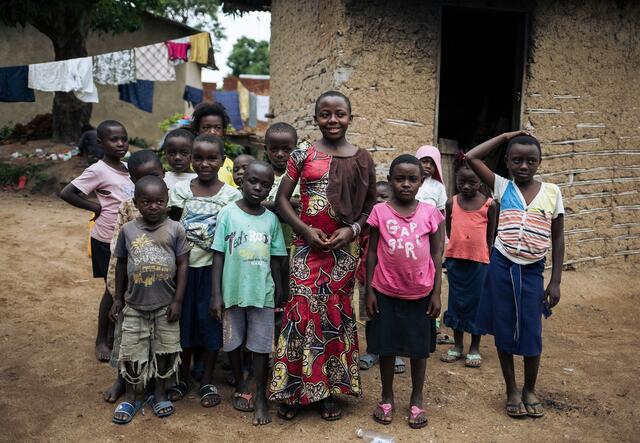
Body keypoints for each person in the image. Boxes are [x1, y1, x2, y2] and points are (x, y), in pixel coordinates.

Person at [269, 91, 376, 421]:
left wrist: (352, 231)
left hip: (343, 251)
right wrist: (304, 230)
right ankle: (293, 390)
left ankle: (330, 390)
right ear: (315, 119)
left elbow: (371, 206)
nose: (333, 120)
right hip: (305, 247)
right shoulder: (302, 155)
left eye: (340, 114)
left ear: (350, 118)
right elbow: (282, 200)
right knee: (300, 314)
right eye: (326, 114)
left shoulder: (362, 159)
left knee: (333, 315)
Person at [466, 130, 564, 418]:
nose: (524, 166)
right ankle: (511, 389)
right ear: (507, 162)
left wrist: (555, 280)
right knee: (505, 328)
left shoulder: (552, 192)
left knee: (532, 332)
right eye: (517, 160)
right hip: (502, 265)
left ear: (540, 162)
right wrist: (506, 135)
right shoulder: (501, 186)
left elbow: (558, 238)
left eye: (531, 161)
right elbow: (471, 156)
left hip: (533, 270)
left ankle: (530, 388)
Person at [365, 154, 444, 429]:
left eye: (412, 179)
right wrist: (369, 290)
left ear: (421, 182)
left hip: (420, 293)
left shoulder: (431, 214)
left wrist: (436, 292)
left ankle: (416, 397)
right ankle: (387, 395)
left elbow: (437, 253)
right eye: (400, 179)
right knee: (386, 346)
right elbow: (372, 252)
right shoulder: (380, 212)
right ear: (390, 180)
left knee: (418, 349)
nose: (406, 184)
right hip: (385, 291)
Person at [167, 133, 241, 407]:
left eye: (212, 158)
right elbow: (173, 228)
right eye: (198, 158)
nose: (204, 163)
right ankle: (183, 377)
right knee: (183, 325)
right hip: (185, 270)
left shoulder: (231, 196)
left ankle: (208, 380)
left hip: (214, 271)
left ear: (222, 161)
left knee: (211, 325)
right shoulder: (181, 191)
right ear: (191, 159)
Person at [211, 161, 287, 426]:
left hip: (262, 293)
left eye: (265, 185)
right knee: (233, 341)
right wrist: (216, 295)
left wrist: (281, 289)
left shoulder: (271, 220)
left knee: (261, 346)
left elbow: (277, 259)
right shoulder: (228, 214)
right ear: (241, 181)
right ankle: (241, 384)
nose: (258, 188)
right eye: (253, 181)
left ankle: (262, 398)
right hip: (232, 291)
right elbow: (218, 255)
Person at [110, 176, 190, 424]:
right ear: (136, 203)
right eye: (147, 202)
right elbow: (122, 264)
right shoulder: (128, 230)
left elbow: (183, 264)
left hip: (166, 305)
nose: (154, 206)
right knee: (132, 351)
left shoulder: (175, 228)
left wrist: (178, 301)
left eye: (159, 201)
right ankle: (133, 396)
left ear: (167, 202)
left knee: (165, 349)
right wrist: (117, 298)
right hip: (134, 304)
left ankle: (160, 392)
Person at [60, 120, 134, 362]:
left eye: (124, 138)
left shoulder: (128, 167)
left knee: (125, 286)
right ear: (101, 143)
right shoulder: (98, 170)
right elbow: (68, 193)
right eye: (114, 140)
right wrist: (96, 207)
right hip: (106, 239)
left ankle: (117, 333)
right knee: (112, 289)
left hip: (130, 237)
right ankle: (102, 339)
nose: (121, 143)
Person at [103, 150, 165, 404]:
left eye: (154, 176)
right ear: (131, 181)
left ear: (163, 174)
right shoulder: (127, 208)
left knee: (157, 336)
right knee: (126, 335)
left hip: (160, 287)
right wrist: (118, 295)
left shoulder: (168, 207)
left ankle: (154, 382)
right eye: (141, 179)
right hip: (132, 286)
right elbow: (118, 251)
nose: (149, 182)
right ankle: (122, 379)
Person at [440, 162, 497, 368]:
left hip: (479, 262)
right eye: (461, 182)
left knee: (477, 304)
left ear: (480, 181)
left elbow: (491, 236)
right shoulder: (451, 203)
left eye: (471, 182)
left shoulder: (489, 205)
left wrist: (486, 256)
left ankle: (474, 347)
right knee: (456, 302)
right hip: (456, 260)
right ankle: (457, 345)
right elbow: (449, 230)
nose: (466, 186)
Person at [358, 181, 407, 374]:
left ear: (392, 199)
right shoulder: (365, 225)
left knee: (395, 318)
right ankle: (372, 350)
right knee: (371, 318)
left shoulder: (396, 222)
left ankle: (395, 353)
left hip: (392, 280)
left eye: (384, 197)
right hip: (368, 279)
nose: (378, 200)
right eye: (374, 198)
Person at [261, 122, 300, 343]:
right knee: (270, 295)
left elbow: (305, 203)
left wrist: (275, 203)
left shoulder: (301, 176)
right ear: (265, 148)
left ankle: (288, 343)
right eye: (274, 149)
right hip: (265, 248)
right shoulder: (262, 174)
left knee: (288, 295)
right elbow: (252, 200)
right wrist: (285, 203)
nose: (280, 154)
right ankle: (268, 345)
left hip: (293, 246)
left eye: (287, 149)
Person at [414, 145, 451, 345]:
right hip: (410, 239)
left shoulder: (437, 187)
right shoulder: (409, 180)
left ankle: (432, 323)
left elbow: (441, 217)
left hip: (430, 239)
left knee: (432, 278)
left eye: (431, 162)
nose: (427, 166)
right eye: (423, 161)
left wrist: (442, 243)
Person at [190, 102, 236, 187]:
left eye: (217, 128)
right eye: (206, 127)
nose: (212, 132)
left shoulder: (231, 166)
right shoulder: (188, 164)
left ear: (224, 132)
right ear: (197, 132)